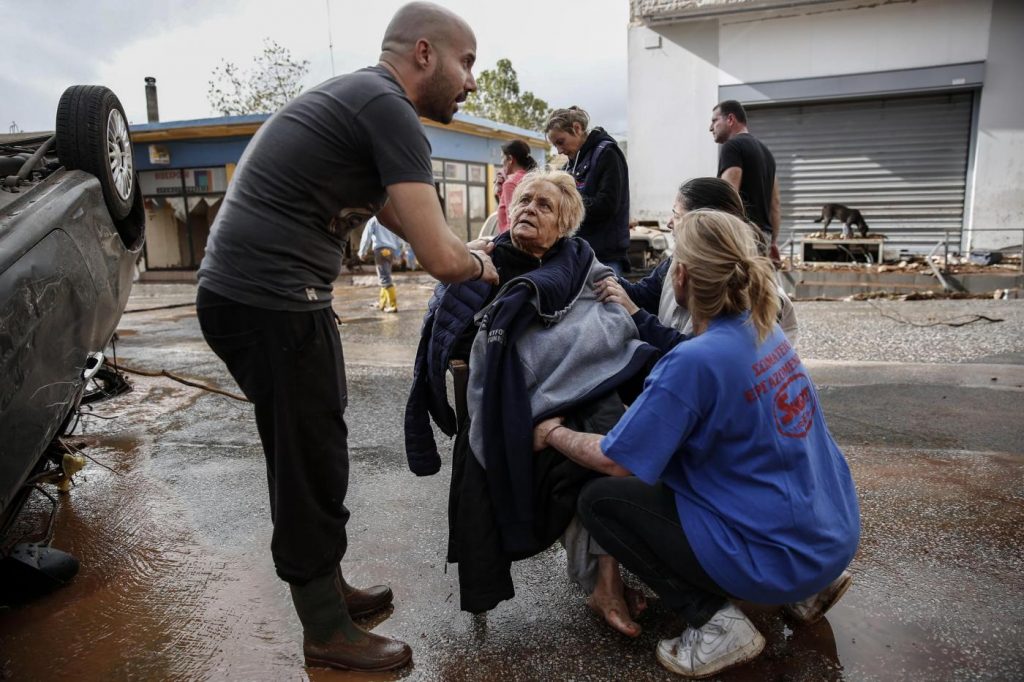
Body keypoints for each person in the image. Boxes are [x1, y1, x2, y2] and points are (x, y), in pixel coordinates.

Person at [194, 2, 498, 673]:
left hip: (278, 299)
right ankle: (325, 631)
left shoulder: (369, 104)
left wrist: (469, 246)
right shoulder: (383, 105)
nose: (472, 81)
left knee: (322, 443)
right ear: (424, 52)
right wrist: (489, 264)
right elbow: (445, 263)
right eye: (467, 61)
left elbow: (419, 225)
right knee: (306, 462)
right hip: (267, 301)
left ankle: (328, 589)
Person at [533, 209, 859, 678]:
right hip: (829, 542)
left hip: (780, 558)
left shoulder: (693, 362)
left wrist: (552, 433)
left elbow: (613, 460)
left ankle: (714, 624)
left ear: (681, 277)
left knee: (600, 502)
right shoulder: (767, 332)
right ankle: (803, 592)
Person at [405, 169, 658, 636]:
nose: (528, 210)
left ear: (563, 226)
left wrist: (620, 305)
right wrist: (467, 282)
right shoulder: (482, 261)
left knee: (611, 435)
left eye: (544, 206)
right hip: (512, 404)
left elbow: (607, 324)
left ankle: (605, 581)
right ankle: (603, 582)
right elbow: (446, 337)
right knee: (590, 447)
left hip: (576, 390)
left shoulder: (579, 260)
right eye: (524, 201)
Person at [597, 177, 798, 349]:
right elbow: (644, 295)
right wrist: (593, 269)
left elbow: (697, 353)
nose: (669, 223)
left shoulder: (742, 288)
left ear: (703, 222)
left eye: (676, 215)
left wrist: (635, 314)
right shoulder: (677, 261)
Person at [545, 106, 631, 276]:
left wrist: (566, 204)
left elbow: (607, 205)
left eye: (561, 142)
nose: (559, 151)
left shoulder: (608, 154)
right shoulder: (570, 165)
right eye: (555, 146)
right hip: (578, 254)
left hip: (604, 257)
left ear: (577, 128)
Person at [710, 100, 781, 263]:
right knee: (756, 287)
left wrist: (718, 239)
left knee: (736, 287)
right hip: (763, 238)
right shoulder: (766, 153)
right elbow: (775, 204)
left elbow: (728, 196)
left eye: (715, 120)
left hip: (741, 237)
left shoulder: (732, 147)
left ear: (730, 119)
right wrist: (772, 243)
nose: (710, 127)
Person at [359, 216, 403, 312]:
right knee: (385, 276)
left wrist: (362, 252)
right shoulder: (391, 219)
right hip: (390, 251)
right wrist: (398, 254)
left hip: (381, 250)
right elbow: (399, 238)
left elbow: (366, 236)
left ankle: (393, 305)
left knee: (384, 277)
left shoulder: (374, 219)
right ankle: (382, 303)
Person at [494, 139, 538, 233]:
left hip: (513, 240)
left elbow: (512, 220)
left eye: (502, 158)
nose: (501, 162)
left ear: (510, 159)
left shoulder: (511, 184)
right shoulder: (534, 178)